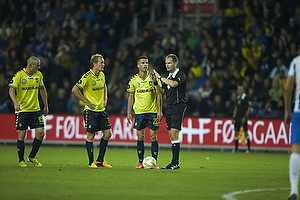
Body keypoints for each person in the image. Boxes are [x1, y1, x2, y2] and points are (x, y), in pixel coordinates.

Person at [71, 53, 112, 168]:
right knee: (91, 135)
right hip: (91, 111)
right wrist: (86, 102)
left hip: (101, 110)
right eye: (101, 62)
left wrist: (106, 98)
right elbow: (74, 89)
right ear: (94, 64)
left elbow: (104, 86)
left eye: (103, 62)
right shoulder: (87, 76)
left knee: (108, 134)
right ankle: (91, 163)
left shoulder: (102, 75)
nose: (103, 64)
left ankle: (100, 160)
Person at [8, 56, 49, 167]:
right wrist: (15, 102)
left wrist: (45, 105)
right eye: (37, 66)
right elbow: (11, 89)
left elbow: (42, 89)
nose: (39, 68)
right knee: (22, 134)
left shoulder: (38, 75)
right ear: (30, 65)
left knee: (41, 133)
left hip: (35, 110)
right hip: (22, 110)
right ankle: (21, 160)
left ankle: (32, 156)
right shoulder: (19, 75)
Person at [127, 55, 163, 169]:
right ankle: (140, 162)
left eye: (146, 63)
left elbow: (159, 94)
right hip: (139, 112)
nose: (145, 65)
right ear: (138, 65)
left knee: (153, 137)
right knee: (140, 136)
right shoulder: (134, 80)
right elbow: (130, 96)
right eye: (143, 63)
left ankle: (155, 162)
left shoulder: (153, 78)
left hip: (152, 111)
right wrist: (129, 112)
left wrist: (160, 110)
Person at [153, 54, 187, 170]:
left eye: (169, 63)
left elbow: (173, 84)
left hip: (178, 107)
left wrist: (160, 77)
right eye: (166, 63)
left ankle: (175, 163)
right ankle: (174, 163)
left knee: (173, 133)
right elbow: (162, 92)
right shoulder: (168, 76)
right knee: (171, 135)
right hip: (169, 108)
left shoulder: (180, 75)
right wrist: (156, 83)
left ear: (175, 63)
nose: (167, 65)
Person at [284, 54, 300, 200]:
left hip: (298, 111)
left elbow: (287, 88)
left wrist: (287, 110)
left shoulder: (296, 62)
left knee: (296, 149)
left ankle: (294, 191)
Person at [232, 85, 251, 153]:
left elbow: (249, 108)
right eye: (238, 89)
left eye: (240, 89)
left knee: (246, 132)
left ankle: (248, 148)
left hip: (243, 117)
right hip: (237, 117)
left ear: (243, 90)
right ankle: (236, 148)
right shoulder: (237, 98)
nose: (239, 91)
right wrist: (233, 117)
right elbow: (236, 108)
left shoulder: (246, 98)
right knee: (236, 132)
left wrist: (245, 117)